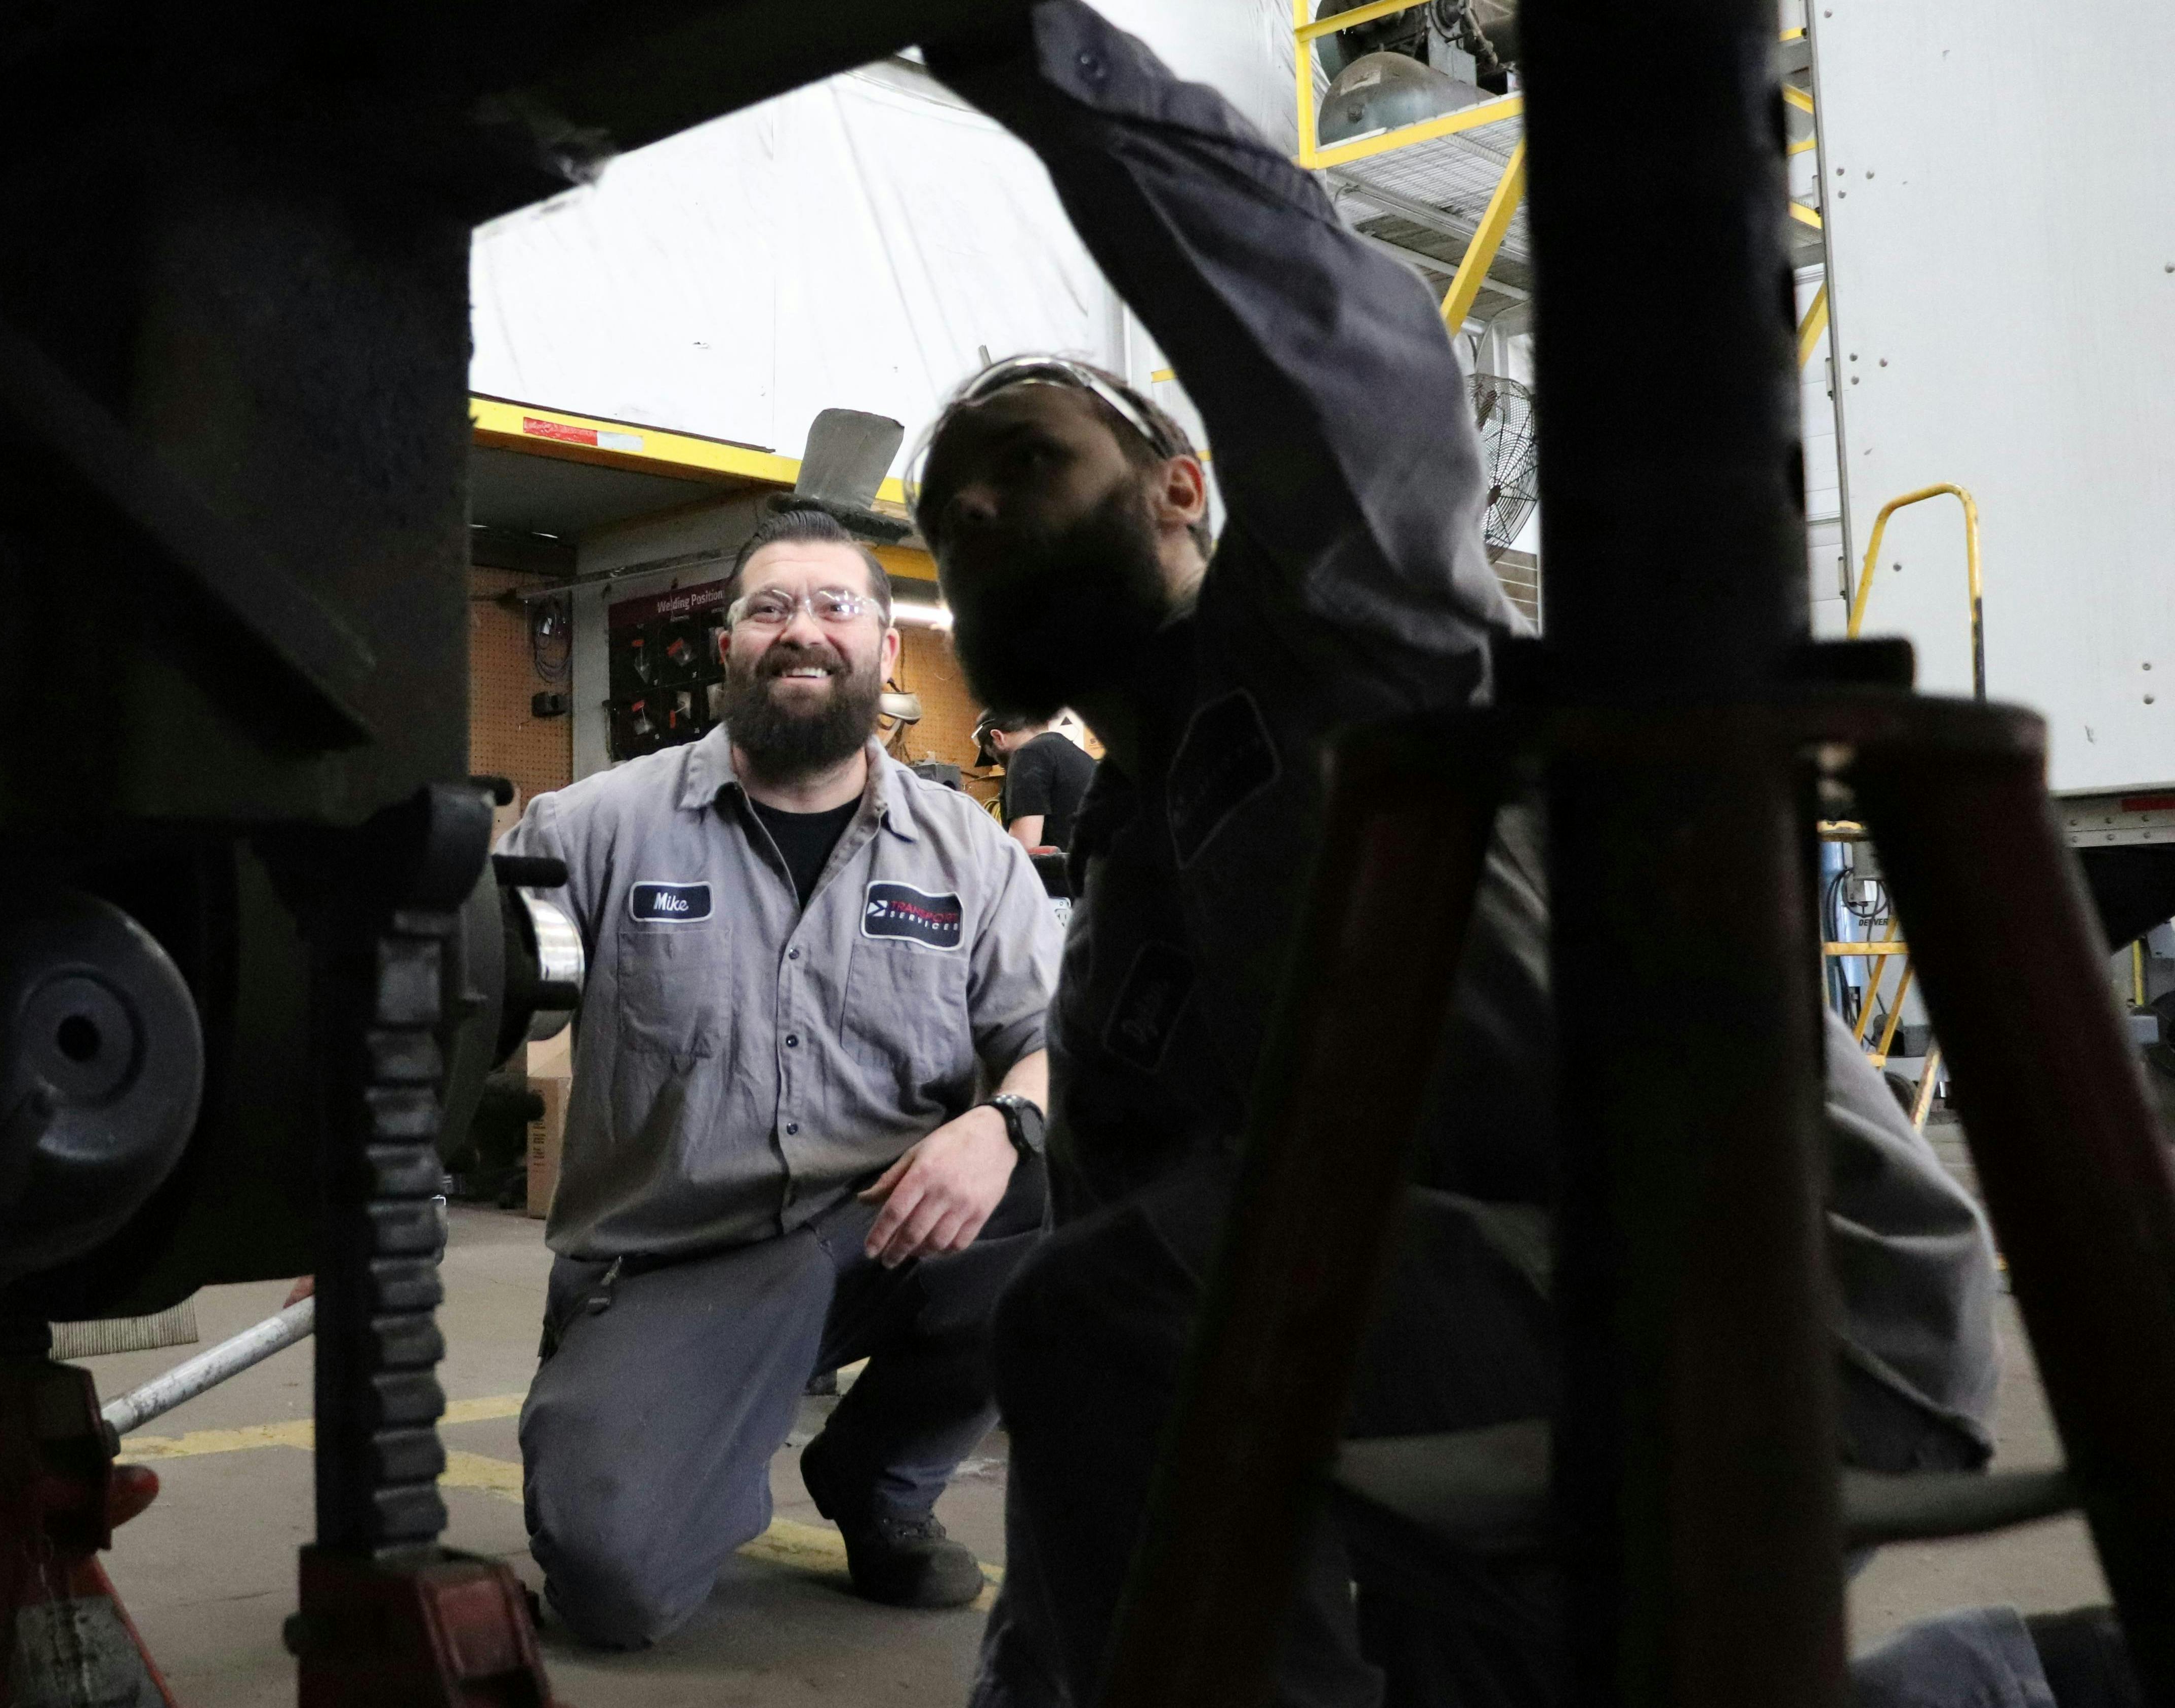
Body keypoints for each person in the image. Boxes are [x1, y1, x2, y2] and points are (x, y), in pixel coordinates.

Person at [909, 8, 2016, 1705]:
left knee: (1106, 1312)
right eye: (943, 511)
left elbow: (1337, 334)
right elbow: (1115, 1483)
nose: (974, 514)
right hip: (1500, 1331)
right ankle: (2019, 1679)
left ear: (1186, 485)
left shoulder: (1344, 630)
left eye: (1031, 462)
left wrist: (1025, 50)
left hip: (1792, 1288)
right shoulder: (1123, 933)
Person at [495, 497, 1063, 1650]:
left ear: (886, 650)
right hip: (672, 1261)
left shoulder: (968, 858)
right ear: (730, 650)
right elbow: (446, 1004)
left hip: (880, 1232)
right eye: (770, 607)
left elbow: (1056, 1038)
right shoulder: (595, 827)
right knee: (612, 1590)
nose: (804, 628)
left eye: (836, 604)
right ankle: (671, 1414)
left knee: (1067, 1182)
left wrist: (1002, 1121)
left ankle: (881, 1482)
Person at [980, 712, 1096, 854]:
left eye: (994, 756)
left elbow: (1023, 847)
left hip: (1062, 874)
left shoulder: (1027, 754)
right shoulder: (1075, 754)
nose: (1001, 764)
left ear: (998, 737)